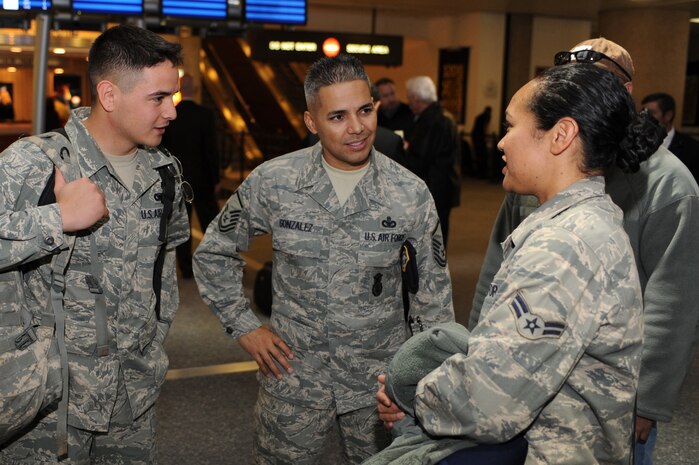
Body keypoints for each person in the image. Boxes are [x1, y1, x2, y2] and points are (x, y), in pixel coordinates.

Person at [375, 62, 663, 465]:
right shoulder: (582, 222)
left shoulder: (563, 247)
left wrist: (412, 396)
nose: (501, 142)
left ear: (561, 135)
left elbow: (490, 399)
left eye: (512, 126)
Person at [193, 54, 454, 465]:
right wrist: (246, 328)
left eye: (365, 110)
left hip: (378, 382)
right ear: (311, 122)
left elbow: (432, 300)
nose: (357, 128)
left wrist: (418, 384)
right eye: (337, 117)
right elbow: (214, 253)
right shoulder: (276, 181)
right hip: (293, 378)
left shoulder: (410, 193)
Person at [468, 38, 699, 465]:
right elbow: (498, 269)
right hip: (524, 368)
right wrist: (475, 348)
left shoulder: (668, 185)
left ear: (623, 93)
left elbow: (674, 301)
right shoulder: (534, 169)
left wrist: (647, 401)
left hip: (605, 388)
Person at [0, 24, 189, 463]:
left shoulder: (164, 174)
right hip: (47, 405)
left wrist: (153, 341)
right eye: (158, 98)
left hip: (133, 398)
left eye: (173, 97)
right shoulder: (35, 163)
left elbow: (164, 269)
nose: (172, 112)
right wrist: (57, 218)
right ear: (109, 95)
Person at [162, 73, 221, 279]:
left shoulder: (171, 116)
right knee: (211, 224)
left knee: (182, 225)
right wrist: (216, 178)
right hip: (203, 178)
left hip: (179, 179)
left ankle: (186, 267)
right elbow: (211, 149)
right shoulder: (205, 115)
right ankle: (213, 263)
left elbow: (165, 150)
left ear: (179, 89)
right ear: (195, 90)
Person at [404, 76, 461, 248]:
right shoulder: (444, 117)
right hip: (444, 186)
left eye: (409, 98)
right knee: (438, 236)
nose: (408, 102)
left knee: (432, 239)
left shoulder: (432, 121)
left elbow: (420, 158)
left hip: (434, 188)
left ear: (415, 98)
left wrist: (406, 149)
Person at [641, 92, 699, 182]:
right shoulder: (638, 142)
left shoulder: (692, 148)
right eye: (643, 112)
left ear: (668, 116)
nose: (644, 117)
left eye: (651, 113)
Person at [470, 106, 491, 179]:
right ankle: (482, 174)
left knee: (479, 156)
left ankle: (479, 174)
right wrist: (485, 138)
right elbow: (484, 128)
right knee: (482, 156)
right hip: (479, 138)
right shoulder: (486, 117)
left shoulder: (480, 116)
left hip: (475, 137)